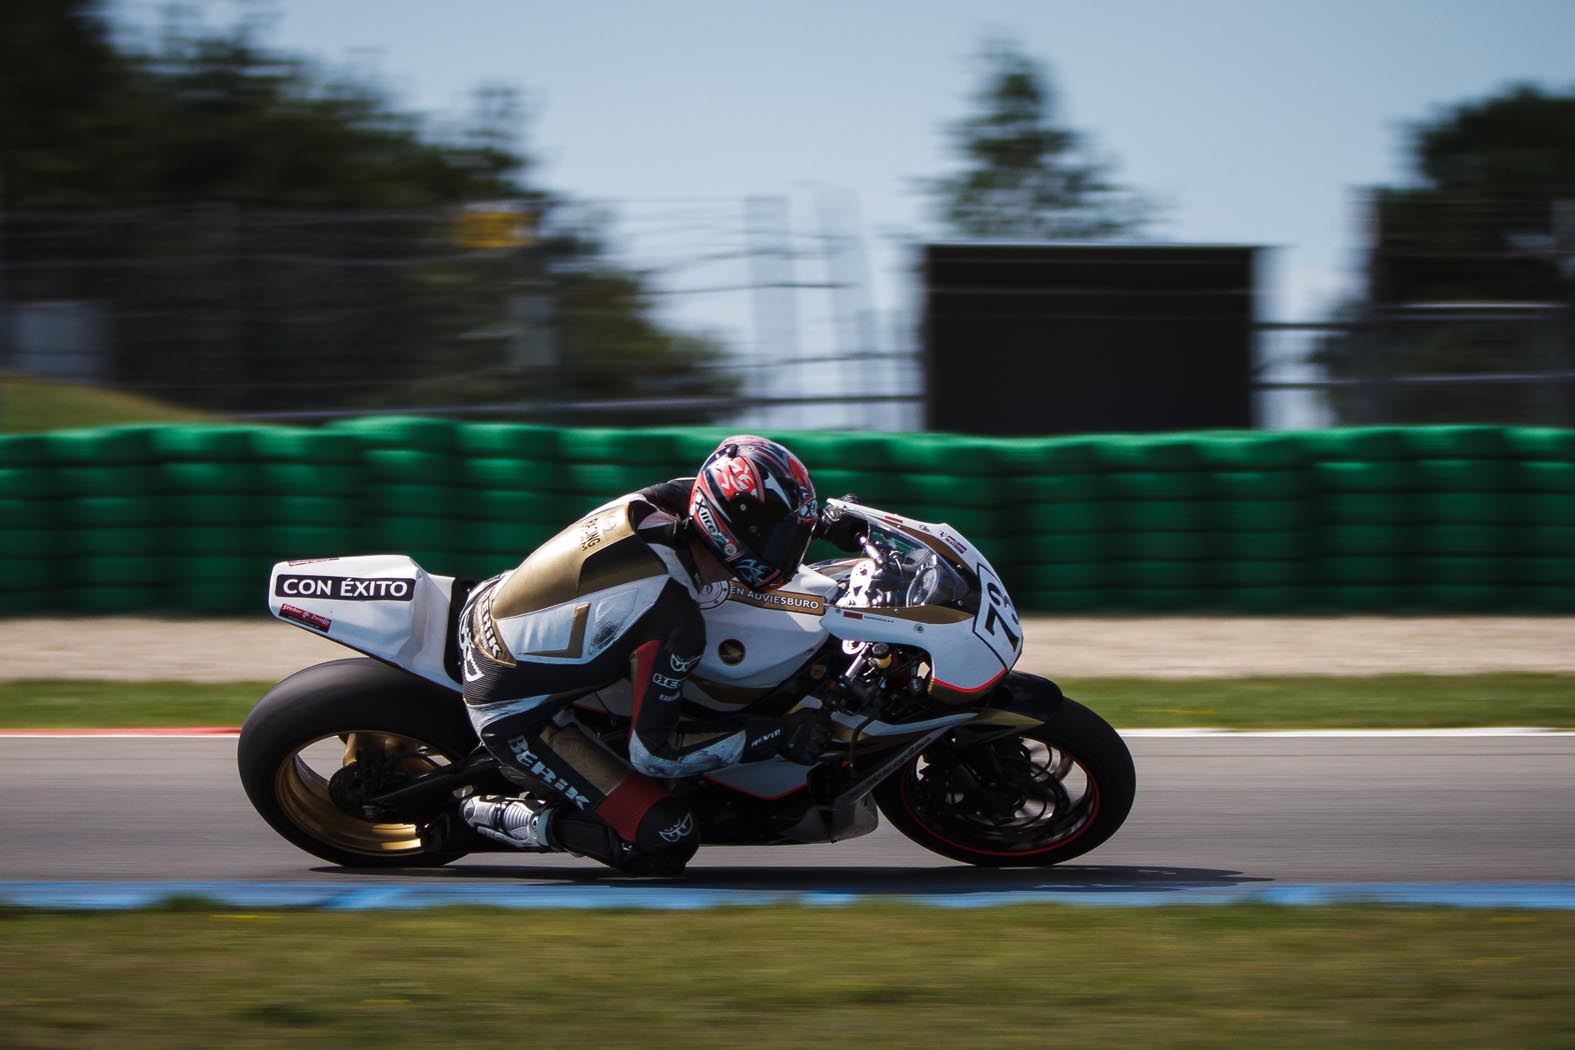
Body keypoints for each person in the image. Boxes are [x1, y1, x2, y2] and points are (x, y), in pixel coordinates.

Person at [453, 435, 840, 875]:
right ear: (735, 533)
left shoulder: (680, 496)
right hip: (513, 710)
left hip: (500, 603)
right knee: (666, 838)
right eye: (782, 537)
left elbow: (742, 511)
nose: (790, 551)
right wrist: (775, 736)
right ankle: (478, 817)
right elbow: (656, 754)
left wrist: (823, 524)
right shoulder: (674, 617)